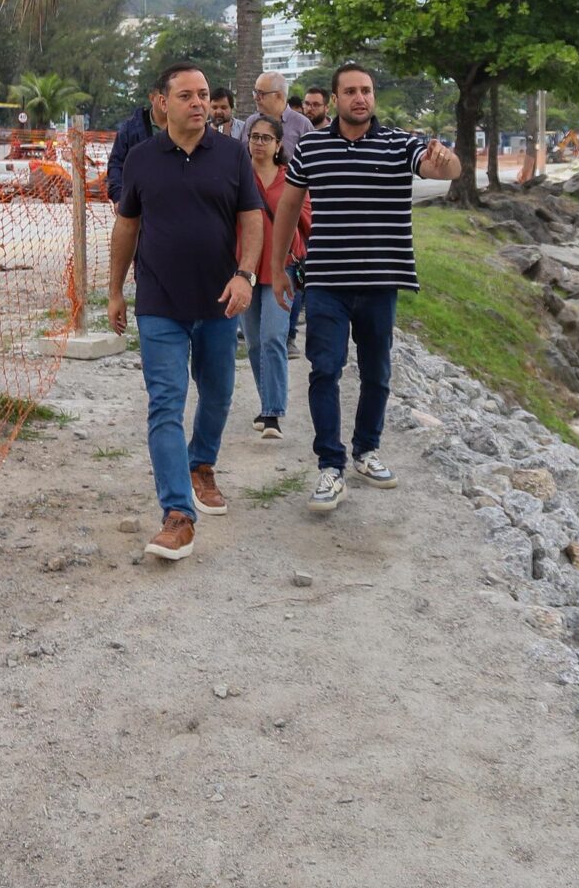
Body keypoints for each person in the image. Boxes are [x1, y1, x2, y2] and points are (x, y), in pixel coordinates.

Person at [269, 62, 460, 515]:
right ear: (335, 99)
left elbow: (445, 169)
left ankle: (366, 451)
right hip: (327, 283)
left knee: (377, 374)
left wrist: (445, 158)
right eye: (351, 91)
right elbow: (289, 208)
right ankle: (330, 466)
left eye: (367, 90)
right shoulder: (312, 147)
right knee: (324, 370)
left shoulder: (401, 144)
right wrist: (278, 268)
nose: (361, 98)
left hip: (381, 281)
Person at [108, 61, 264, 562]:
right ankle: (177, 514)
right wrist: (115, 291)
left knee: (217, 394)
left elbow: (253, 219)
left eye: (202, 95)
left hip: (220, 302)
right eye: (186, 96)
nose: (198, 103)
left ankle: (201, 465)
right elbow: (126, 228)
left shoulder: (233, 156)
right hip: (159, 304)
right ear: (162, 102)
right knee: (165, 404)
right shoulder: (141, 160)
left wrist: (246, 275)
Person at [239, 116, 306, 440]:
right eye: (255, 137)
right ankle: (267, 404)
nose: (259, 143)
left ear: (279, 144)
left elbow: (307, 218)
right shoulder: (238, 178)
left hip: (283, 270)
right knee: (253, 343)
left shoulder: (291, 178)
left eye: (267, 138)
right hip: (245, 268)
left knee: (272, 338)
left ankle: (273, 413)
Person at [238, 72, 314, 163]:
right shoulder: (250, 122)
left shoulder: (302, 124)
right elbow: (238, 156)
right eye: (255, 92)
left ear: (279, 96)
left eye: (261, 93)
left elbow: (312, 160)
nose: (256, 98)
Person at [104, 98, 156, 204]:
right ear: (153, 98)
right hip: (138, 205)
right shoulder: (130, 129)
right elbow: (116, 164)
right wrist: (118, 196)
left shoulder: (188, 129)